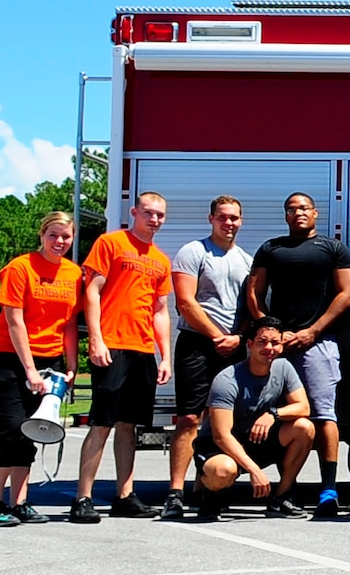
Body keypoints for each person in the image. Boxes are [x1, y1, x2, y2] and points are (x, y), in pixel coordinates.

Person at [246, 193, 350, 517]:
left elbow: (348, 293)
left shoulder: (333, 249)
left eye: (304, 208)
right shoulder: (271, 248)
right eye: (291, 209)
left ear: (315, 213)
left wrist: (313, 331)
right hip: (277, 347)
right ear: (285, 216)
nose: (298, 213)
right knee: (285, 416)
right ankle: (287, 490)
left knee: (324, 415)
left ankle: (328, 490)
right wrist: (272, 332)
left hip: (318, 345)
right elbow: (254, 293)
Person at [71, 193, 174, 524]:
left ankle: (124, 495)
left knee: (128, 426)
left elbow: (160, 311)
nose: (154, 220)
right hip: (111, 345)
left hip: (143, 350)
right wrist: (96, 339)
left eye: (160, 215)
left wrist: (165, 356)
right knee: (102, 423)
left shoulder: (160, 260)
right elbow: (92, 291)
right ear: (134, 212)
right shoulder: (110, 243)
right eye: (148, 213)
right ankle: (83, 498)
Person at [0, 212, 81, 527]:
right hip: (8, 357)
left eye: (66, 236)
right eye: (53, 235)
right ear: (42, 235)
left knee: (32, 430)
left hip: (49, 361)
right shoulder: (20, 268)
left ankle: (20, 503)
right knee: (10, 429)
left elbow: (68, 325)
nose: (59, 242)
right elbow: (14, 320)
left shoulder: (74, 274)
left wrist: (71, 366)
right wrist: (30, 370)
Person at [164, 195, 252, 520]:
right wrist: (217, 336)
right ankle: (175, 493)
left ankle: (210, 488)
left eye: (235, 218)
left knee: (223, 423)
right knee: (189, 419)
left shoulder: (246, 260)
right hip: (197, 344)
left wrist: (239, 338)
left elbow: (249, 309)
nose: (229, 223)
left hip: (233, 347)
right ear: (211, 218)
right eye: (223, 217)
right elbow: (185, 302)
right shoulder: (194, 252)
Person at [194, 318, 316, 519]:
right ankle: (211, 494)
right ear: (249, 345)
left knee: (304, 427)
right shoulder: (227, 380)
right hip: (222, 447)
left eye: (275, 343)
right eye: (262, 342)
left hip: (257, 439)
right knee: (223, 471)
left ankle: (281, 497)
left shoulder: (284, 368)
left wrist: (273, 414)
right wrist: (254, 471)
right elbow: (221, 436)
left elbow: (303, 407)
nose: (269, 348)